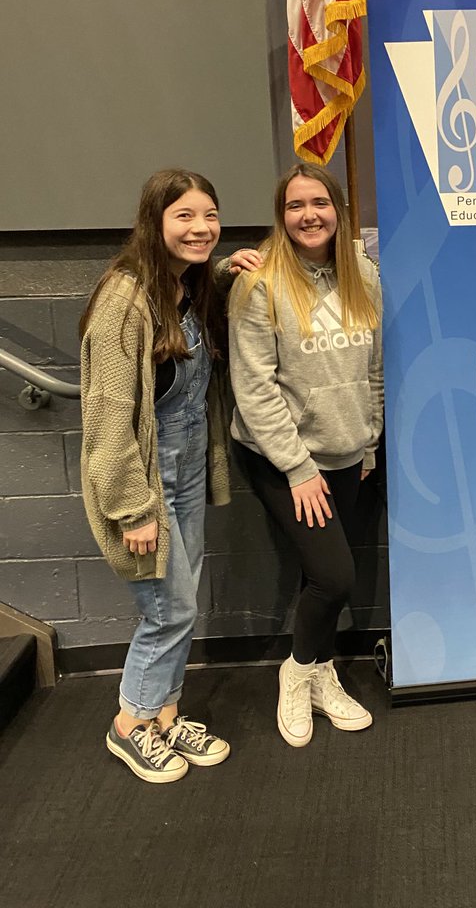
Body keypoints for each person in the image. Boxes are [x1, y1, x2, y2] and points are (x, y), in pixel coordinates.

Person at [80, 169, 261, 783]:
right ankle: (130, 723)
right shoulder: (122, 302)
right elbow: (106, 421)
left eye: (210, 215)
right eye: (185, 216)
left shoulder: (188, 289)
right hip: (142, 487)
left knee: (180, 602)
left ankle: (165, 714)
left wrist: (226, 268)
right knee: (170, 609)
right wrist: (133, 510)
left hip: (184, 475)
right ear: (154, 222)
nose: (201, 228)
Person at [228, 161, 383, 748]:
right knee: (335, 576)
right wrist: (296, 468)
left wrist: (369, 439)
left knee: (318, 575)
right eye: (295, 206)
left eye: (319, 203)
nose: (308, 215)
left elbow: (374, 368)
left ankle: (320, 673)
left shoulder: (363, 275)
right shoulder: (259, 283)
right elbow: (254, 386)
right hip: (283, 458)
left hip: (348, 449)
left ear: (339, 212)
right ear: (281, 216)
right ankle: (296, 674)